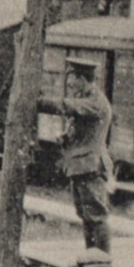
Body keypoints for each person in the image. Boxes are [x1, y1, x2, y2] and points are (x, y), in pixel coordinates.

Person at [40, 57, 113, 252]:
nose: (69, 83)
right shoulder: (88, 99)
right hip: (82, 166)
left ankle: (102, 262)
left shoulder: (96, 102)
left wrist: (39, 102)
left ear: (83, 78)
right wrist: (66, 138)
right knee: (86, 216)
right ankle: (91, 259)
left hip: (90, 165)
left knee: (97, 216)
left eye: (72, 78)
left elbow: (67, 106)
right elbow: (81, 130)